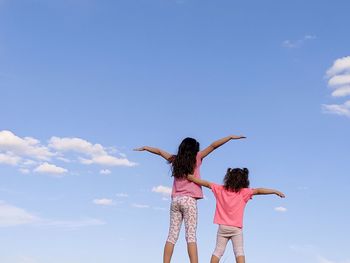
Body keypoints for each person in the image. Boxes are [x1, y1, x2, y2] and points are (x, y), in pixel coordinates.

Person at [134, 135, 246, 263]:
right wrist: (230, 137)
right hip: (189, 201)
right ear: (194, 149)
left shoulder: (175, 160)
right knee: (191, 236)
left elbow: (159, 151)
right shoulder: (196, 158)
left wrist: (146, 148)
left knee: (171, 236)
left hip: (175, 200)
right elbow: (213, 146)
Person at [187, 168, 285, 263]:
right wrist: (275, 191)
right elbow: (259, 190)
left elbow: (207, 184)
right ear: (244, 181)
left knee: (218, 251)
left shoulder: (221, 189)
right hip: (236, 229)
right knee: (239, 252)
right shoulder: (244, 192)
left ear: (228, 178)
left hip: (223, 227)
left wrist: (192, 178)